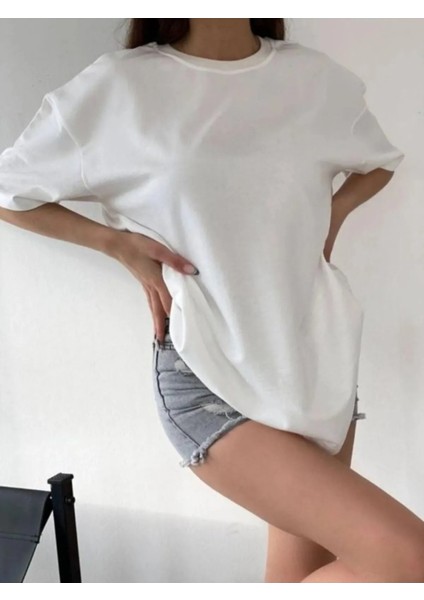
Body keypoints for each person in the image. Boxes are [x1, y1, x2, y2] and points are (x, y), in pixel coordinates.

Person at [0, 18, 423, 583]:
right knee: (408, 559)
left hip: (316, 361)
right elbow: (10, 190)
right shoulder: (120, 87)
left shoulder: (312, 78)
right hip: (208, 373)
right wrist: (117, 245)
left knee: (300, 578)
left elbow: (379, 161)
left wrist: (333, 214)